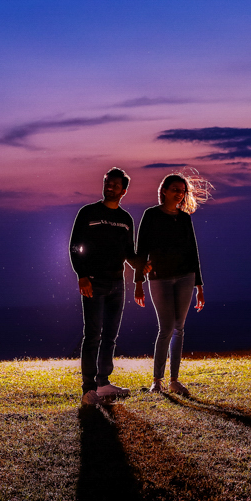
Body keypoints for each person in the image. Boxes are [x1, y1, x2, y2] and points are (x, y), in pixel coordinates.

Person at [134, 170, 212, 396]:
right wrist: (138, 282)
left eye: (183, 191)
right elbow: (141, 250)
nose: (179, 194)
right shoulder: (151, 215)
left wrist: (199, 286)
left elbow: (193, 252)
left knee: (179, 328)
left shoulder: (185, 218)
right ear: (164, 191)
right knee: (166, 328)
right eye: (175, 190)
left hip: (185, 277)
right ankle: (157, 380)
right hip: (159, 278)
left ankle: (174, 381)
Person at [70, 167, 144, 406]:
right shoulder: (88, 212)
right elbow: (74, 246)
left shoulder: (125, 220)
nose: (109, 187)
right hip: (93, 281)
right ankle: (88, 389)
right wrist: (82, 275)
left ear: (124, 190)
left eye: (114, 184)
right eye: (107, 183)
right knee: (92, 335)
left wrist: (142, 265)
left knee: (110, 336)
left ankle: (103, 383)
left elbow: (129, 254)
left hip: (117, 283)